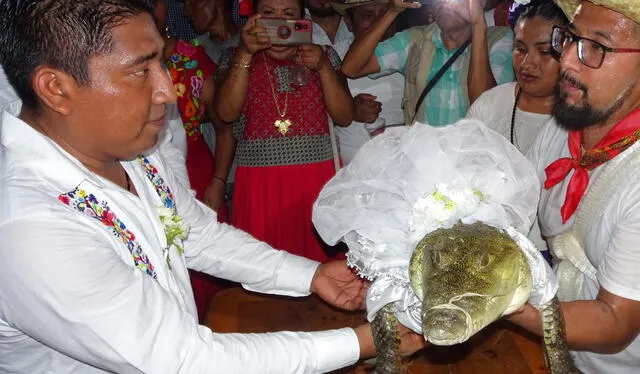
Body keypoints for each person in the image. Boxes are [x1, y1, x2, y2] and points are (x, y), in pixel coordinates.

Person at [0, 0, 425, 372]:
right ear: (56, 88)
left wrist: (311, 274)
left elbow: (194, 234)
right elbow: (184, 360)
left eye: (160, 63)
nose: (167, 90)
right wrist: (363, 341)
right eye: (140, 71)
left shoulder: (130, 152)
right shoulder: (29, 227)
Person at [507, 1, 640, 373]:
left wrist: (499, 302)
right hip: (552, 351)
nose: (566, 60)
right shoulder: (563, 126)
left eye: (597, 47)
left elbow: (615, 323)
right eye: (569, 39)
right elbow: (516, 200)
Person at [215, 0, 354, 263]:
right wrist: (245, 54)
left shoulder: (324, 55)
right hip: (260, 188)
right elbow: (225, 114)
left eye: (288, 15)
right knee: (262, 272)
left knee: (321, 272)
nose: (279, 24)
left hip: (316, 183)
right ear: (254, 18)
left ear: (304, 21)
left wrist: (323, 66)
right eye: (268, 14)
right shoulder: (235, 57)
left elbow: (345, 116)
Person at [154, 0, 236, 322]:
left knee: (210, 264)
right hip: (138, 169)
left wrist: (217, 182)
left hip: (199, 169)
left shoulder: (191, 57)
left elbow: (224, 127)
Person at [342, 0, 515, 127]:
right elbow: (351, 68)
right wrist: (392, 11)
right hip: (422, 164)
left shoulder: (499, 40)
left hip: (471, 165)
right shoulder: (416, 40)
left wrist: (478, 24)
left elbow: (484, 104)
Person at [467, 0, 568, 154]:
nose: (526, 64)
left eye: (544, 52)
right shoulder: (488, 106)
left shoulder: (581, 120)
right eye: (520, 49)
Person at [332, 0, 405, 164]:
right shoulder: (332, 57)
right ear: (349, 22)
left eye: (385, 14)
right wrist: (349, 109)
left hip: (405, 166)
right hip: (351, 170)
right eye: (368, 15)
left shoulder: (410, 51)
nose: (380, 23)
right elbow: (317, 117)